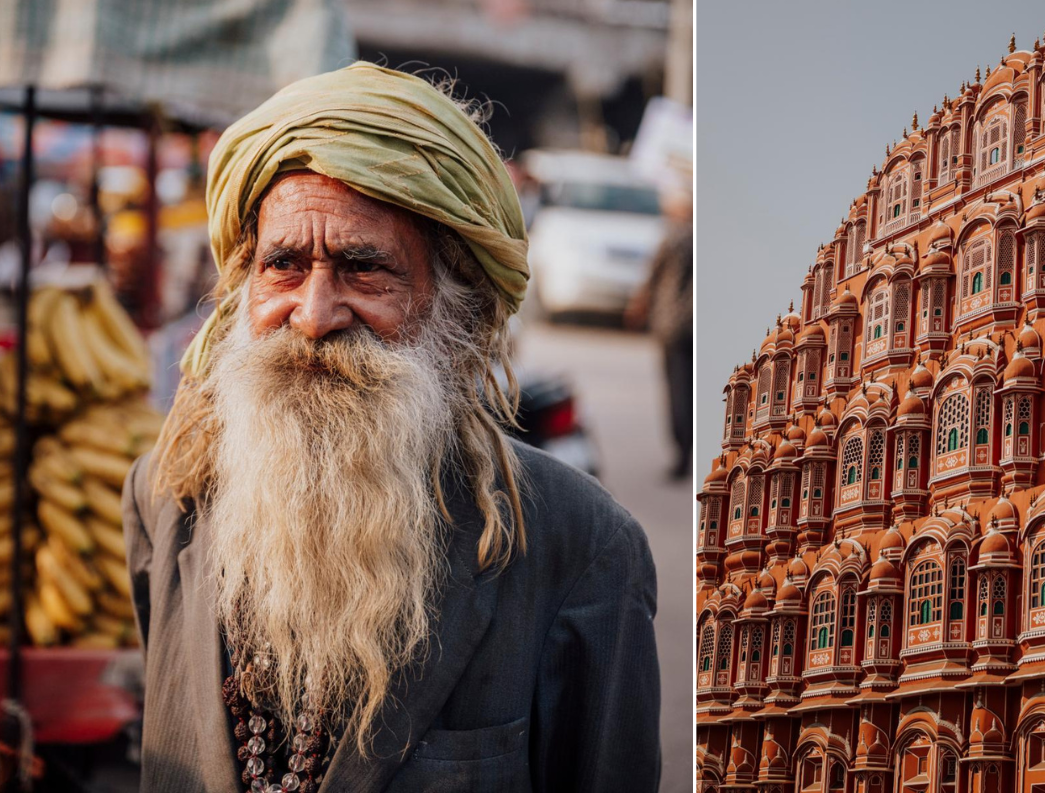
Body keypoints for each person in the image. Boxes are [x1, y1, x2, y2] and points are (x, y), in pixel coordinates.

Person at [123, 62, 661, 793]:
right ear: (244, 285)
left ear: (458, 311)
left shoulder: (584, 550)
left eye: (363, 268)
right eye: (283, 264)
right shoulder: (166, 498)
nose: (313, 316)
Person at [627, 184, 692, 481]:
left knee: (678, 391)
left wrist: (638, 307)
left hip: (673, 326)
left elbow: (652, 278)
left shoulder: (675, 238)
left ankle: (682, 454)